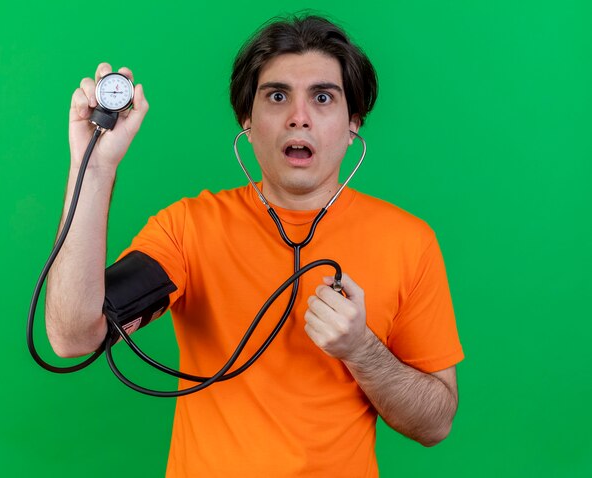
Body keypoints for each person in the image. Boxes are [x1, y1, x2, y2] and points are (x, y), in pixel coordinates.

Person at [46, 14, 464, 477]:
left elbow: (436, 423)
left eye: (323, 97)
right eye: (277, 96)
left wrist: (361, 349)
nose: (298, 117)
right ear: (248, 120)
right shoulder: (189, 229)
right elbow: (73, 335)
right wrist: (95, 165)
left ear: (352, 125)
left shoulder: (408, 241)